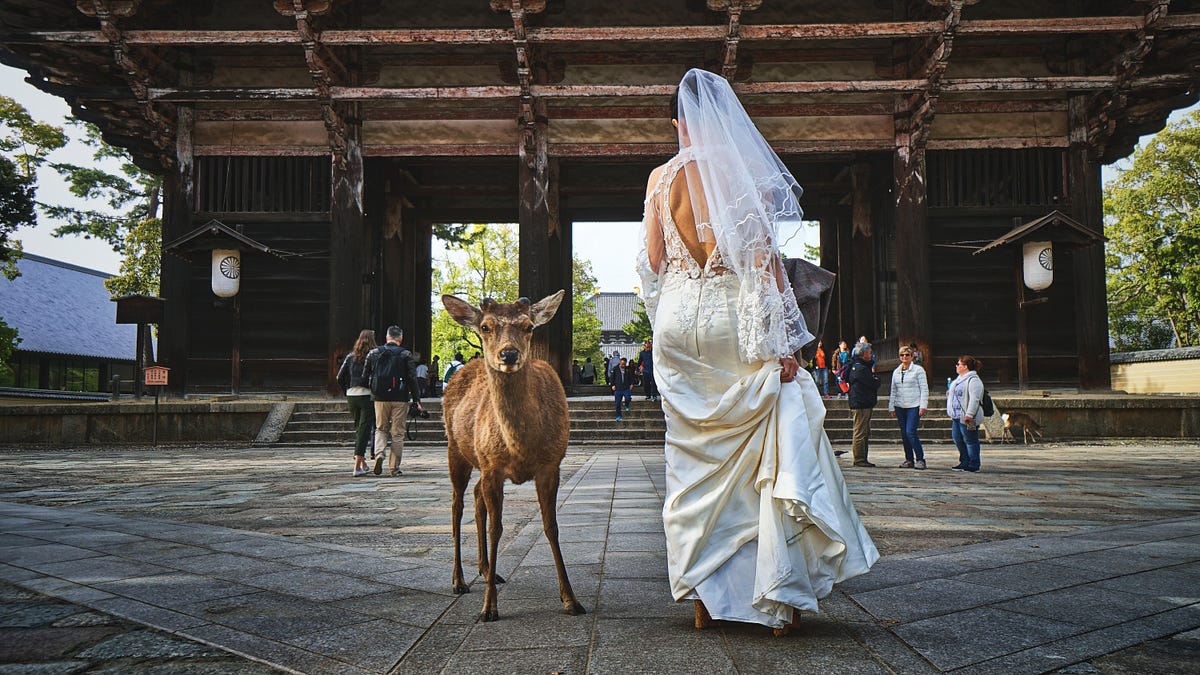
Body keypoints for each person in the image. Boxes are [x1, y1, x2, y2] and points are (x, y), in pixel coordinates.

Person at [635, 68, 877, 631]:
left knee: (691, 457)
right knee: (758, 451)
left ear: (678, 123)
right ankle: (772, 593)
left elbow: (653, 262)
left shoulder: (658, 178)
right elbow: (763, 266)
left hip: (677, 322)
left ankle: (703, 596)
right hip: (728, 320)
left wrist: (665, 314)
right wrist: (783, 344)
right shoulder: (740, 172)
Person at [363, 325, 422, 477]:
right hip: (400, 398)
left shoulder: (373, 353)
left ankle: (379, 454)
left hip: (380, 398)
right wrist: (417, 399)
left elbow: (365, 375)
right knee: (397, 433)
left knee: (380, 428)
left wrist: (373, 389)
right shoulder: (405, 354)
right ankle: (394, 468)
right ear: (400, 338)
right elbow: (412, 378)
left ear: (386, 337)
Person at [336, 329, 376, 476]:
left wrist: (347, 390)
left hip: (352, 395)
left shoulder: (350, 357)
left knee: (359, 429)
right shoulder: (372, 357)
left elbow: (339, 377)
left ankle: (363, 463)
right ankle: (357, 466)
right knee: (365, 430)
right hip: (366, 395)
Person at [888, 345, 928, 470]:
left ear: (912, 356)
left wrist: (923, 405)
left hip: (914, 405)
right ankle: (909, 459)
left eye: (907, 355)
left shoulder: (918, 370)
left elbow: (924, 388)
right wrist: (891, 406)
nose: (904, 357)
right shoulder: (896, 371)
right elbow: (893, 390)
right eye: (902, 355)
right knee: (904, 434)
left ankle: (920, 459)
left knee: (910, 432)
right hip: (900, 405)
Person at [948, 355, 985, 473]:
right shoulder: (958, 379)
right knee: (957, 438)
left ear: (965, 367)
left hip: (968, 416)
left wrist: (970, 414)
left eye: (959, 364)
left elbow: (975, 399)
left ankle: (974, 463)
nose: (957, 366)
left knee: (970, 439)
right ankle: (964, 461)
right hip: (956, 415)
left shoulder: (973, 380)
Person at [847, 342, 881, 467]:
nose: (871, 354)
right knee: (860, 431)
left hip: (862, 401)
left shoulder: (859, 366)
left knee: (864, 431)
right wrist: (877, 380)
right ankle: (859, 459)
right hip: (860, 402)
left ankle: (863, 457)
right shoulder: (860, 368)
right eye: (869, 352)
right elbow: (873, 383)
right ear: (864, 353)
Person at [609, 357, 634, 421]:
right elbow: (612, 378)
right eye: (622, 364)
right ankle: (618, 416)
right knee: (617, 403)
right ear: (620, 362)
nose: (623, 365)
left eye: (624, 364)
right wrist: (612, 385)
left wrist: (631, 384)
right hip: (618, 388)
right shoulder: (615, 369)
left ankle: (626, 404)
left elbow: (631, 377)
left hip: (626, 387)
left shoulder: (627, 369)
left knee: (628, 398)